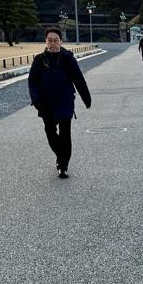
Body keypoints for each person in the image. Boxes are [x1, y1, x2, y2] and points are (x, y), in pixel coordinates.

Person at [28, 28, 91, 179]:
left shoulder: (68, 58)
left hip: (65, 100)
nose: (53, 43)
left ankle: (63, 166)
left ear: (61, 41)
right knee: (50, 132)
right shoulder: (39, 60)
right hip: (46, 102)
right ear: (45, 41)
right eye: (50, 40)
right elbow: (32, 81)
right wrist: (35, 99)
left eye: (56, 40)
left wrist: (86, 98)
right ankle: (60, 155)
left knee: (65, 133)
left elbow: (78, 79)